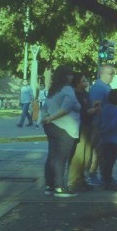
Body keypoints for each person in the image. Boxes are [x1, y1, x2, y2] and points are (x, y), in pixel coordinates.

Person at [40, 65, 81, 198]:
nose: (71, 77)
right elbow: (66, 108)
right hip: (65, 128)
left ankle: (49, 185)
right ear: (63, 76)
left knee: (52, 156)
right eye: (68, 74)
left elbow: (45, 106)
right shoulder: (68, 89)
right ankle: (59, 188)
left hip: (51, 127)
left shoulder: (53, 90)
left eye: (72, 74)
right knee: (61, 158)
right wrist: (50, 118)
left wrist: (46, 119)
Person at [84, 64, 116, 186]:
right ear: (102, 73)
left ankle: (101, 175)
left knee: (102, 151)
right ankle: (92, 174)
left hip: (104, 123)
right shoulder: (98, 88)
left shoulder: (106, 86)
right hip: (98, 124)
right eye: (110, 73)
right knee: (97, 150)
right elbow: (96, 106)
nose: (112, 76)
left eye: (113, 73)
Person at [68, 72, 98, 192]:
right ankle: (74, 181)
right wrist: (91, 111)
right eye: (84, 80)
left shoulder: (85, 94)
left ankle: (81, 179)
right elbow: (78, 111)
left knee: (87, 156)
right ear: (77, 83)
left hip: (88, 125)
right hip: (79, 126)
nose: (87, 82)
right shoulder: (74, 94)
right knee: (78, 156)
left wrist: (94, 108)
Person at [97, 89, 117, 191]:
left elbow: (100, 122)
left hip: (104, 139)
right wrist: (105, 130)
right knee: (110, 162)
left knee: (106, 161)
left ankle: (105, 180)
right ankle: (108, 182)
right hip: (115, 139)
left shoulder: (104, 109)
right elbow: (113, 125)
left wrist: (101, 131)